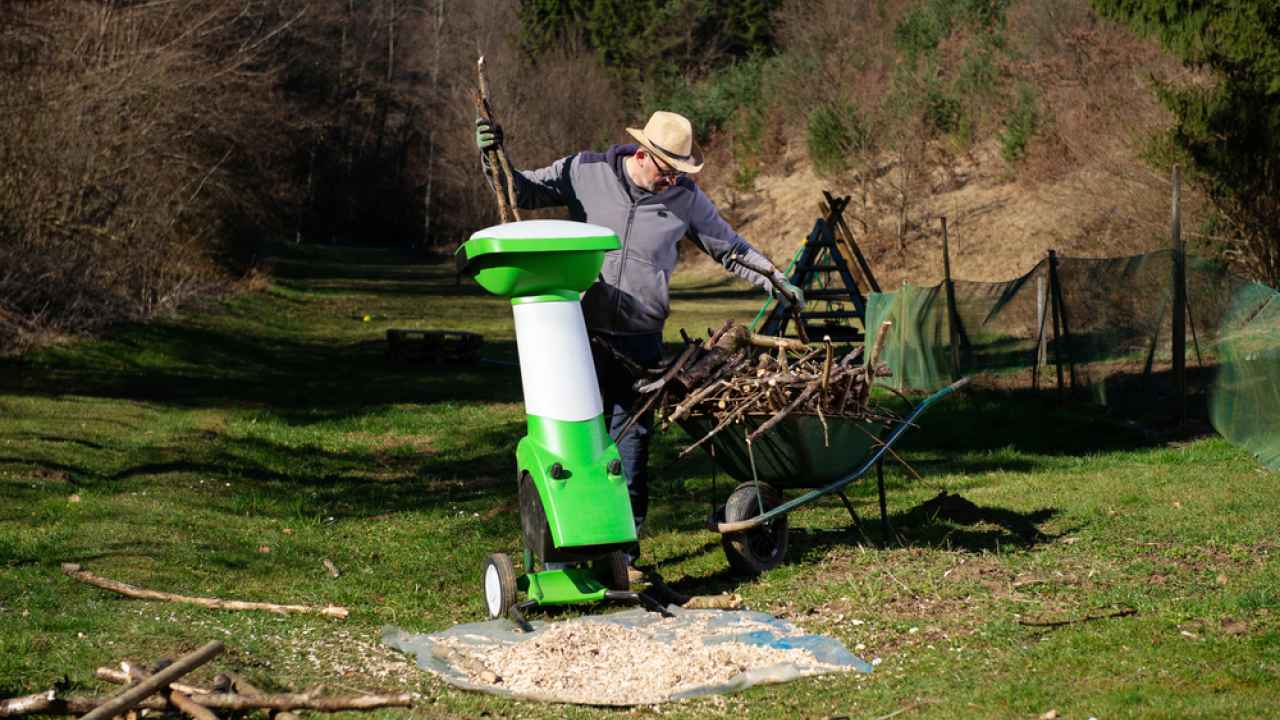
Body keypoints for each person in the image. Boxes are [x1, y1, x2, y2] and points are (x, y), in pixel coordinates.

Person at [475, 111, 804, 574]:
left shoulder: (685, 198)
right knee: (570, 446)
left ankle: (622, 557)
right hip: (577, 337)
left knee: (629, 450)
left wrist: (775, 278)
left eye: (680, 170)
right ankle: (562, 555)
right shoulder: (583, 171)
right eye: (667, 167)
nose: (673, 177)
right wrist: (493, 157)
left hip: (640, 343)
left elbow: (728, 247)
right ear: (643, 152)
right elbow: (520, 189)